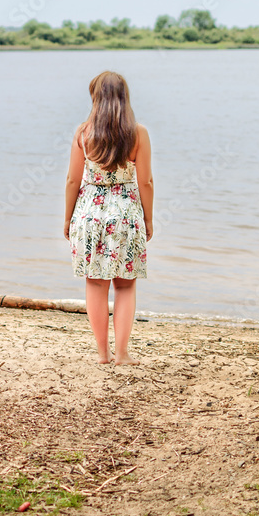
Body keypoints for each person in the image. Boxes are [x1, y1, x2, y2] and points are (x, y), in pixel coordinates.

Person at [64, 70, 153, 365]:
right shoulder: (138, 133)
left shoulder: (83, 133)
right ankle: (123, 354)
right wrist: (149, 219)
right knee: (125, 284)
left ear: (95, 97)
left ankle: (102, 354)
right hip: (125, 213)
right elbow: (146, 183)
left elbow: (71, 181)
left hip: (90, 212)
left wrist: (67, 220)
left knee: (95, 283)